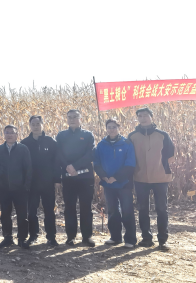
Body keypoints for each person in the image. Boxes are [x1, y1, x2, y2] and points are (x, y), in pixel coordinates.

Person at [128, 107, 175, 250]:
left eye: (145, 115)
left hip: (160, 177)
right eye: (140, 116)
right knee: (143, 209)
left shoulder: (162, 135)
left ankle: (162, 240)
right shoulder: (132, 136)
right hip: (140, 178)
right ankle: (146, 238)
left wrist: (161, 166)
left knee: (161, 209)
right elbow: (129, 156)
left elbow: (171, 154)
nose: (143, 118)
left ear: (151, 117)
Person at [94, 119, 137, 249]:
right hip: (108, 183)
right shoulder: (101, 145)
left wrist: (116, 177)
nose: (111, 129)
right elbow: (97, 163)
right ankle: (115, 237)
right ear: (106, 129)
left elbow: (130, 164)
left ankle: (130, 239)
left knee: (127, 211)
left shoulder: (126, 143)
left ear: (118, 128)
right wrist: (104, 176)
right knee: (112, 210)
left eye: (114, 127)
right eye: (109, 127)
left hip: (124, 183)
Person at [56, 109, 96, 247]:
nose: (72, 119)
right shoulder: (61, 135)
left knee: (86, 208)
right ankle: (70, 237)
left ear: (80, 119)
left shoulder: (87, 135)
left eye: (75, 117)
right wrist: (68, 167)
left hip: (85, 177)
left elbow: (90, 154)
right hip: (68, 177)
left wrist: (75, 166)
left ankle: (87, 237)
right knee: (69, 208)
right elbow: (59, 154)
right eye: (69, 117)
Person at [21, 115, 61, 247]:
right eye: (33, 124)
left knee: (49, 210)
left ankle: (51, 237)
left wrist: (57, 179)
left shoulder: (51, 142)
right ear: (29, 126)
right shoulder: (24, 143)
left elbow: (56, 162)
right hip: (31, 183)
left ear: (42, 125)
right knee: (32, 211)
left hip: (47, 182)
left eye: (38, 124)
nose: (35, 126)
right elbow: (21, 165)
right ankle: (33, 236)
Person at [0, 125, 32, 249]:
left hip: (20, 189)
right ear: (4, 135)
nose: (9, 135)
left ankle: (22, 239)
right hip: (4, 188)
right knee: (5, 215)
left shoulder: (23, 149)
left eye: (12, 132)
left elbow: (28, 168)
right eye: (7, 132)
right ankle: (7, 238)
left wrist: (26, 186)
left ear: (16, 135)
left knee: (22, 215)